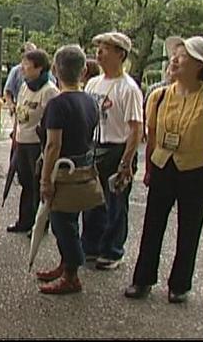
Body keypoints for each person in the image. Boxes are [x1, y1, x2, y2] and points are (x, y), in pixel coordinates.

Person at [125, 36, 203, 304]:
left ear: (199, 65)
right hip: (164, 165)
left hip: (197, 169)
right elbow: (150, 137)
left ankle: (179, 284)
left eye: (182, 55)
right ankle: (142, 279)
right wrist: (148, 167)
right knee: (152, 224)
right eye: (174, 54)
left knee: (189, 228)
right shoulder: (159, 95)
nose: (174, 59)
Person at [36, 45, 99, 294]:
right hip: (82, 168)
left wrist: (45, 180)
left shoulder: (57, 105)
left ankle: (72, 274)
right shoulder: (90, 101)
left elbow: (53, 145)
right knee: (71, 221)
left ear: (54, 70)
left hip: (61, 170)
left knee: (62, 223)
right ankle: (66, 264)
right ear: (84, 71)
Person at [81, 31, 144, 270]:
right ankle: (90, 246)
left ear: (120, 54)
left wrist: (126, 162)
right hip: (95, 146)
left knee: (115, 203)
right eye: (99, 47)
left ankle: (113, 250)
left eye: (105, 48)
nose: (99, 52)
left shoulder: (129, 89)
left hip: (118, 147)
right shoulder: (93, 83)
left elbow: (136, 128)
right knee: (90, 199)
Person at [7, 49, 59, 234]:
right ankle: (24, 220)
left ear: (39, 68)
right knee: (25, 182)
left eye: (27, 65)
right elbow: (19, 112)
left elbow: (52, 121)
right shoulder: (24, 86)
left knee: (38, 183)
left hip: (37, 143)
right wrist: (15, 134)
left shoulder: (49, 90)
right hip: (22, 140)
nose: (23, 68)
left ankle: (40, 224)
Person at [3, 42, 38, 113]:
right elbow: (7, 91)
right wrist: (11, 105)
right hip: (20, 108)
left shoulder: (41, 70)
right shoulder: (16, 71)